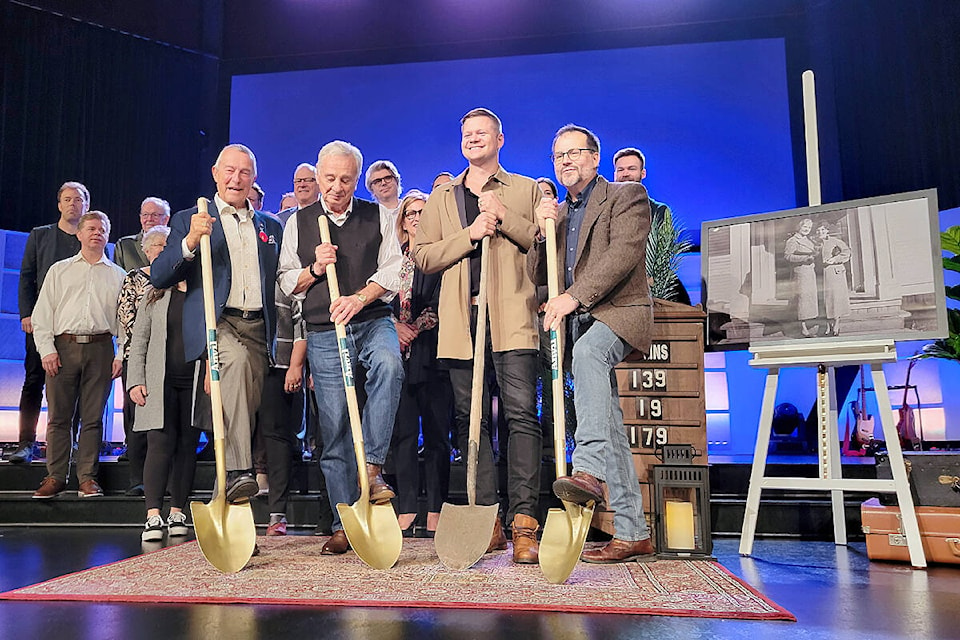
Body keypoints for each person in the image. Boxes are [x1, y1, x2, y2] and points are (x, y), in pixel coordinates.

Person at [413, 107, 542, 564]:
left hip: (513, 320)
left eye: (482, 132)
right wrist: (470, 234)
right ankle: (486, 518)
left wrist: (504, 217)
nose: (473, 139)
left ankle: (524, 523)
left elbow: (544, 253)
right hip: (461, 323)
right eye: (467, 133)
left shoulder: (527, 189)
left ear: (500, 139)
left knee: (521, 416)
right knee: (471, 422)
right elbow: (423, 256)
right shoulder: (442, 198)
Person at [529, 124, 656, 563]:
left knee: (588, 352)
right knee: (611, 424)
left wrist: (573, 297)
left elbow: (622, 256)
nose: (565, 161)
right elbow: (537, 275)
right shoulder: (559, 214)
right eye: (558, 155)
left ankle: (588, 471)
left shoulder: (626, 197)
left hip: (620, 311)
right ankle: (633, 530)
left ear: (595, 158)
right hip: (579, 319)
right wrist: (541, 234)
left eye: (574, 153)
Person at [278, 140, 403, 555]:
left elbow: (393, 271)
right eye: (329, 178)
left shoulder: (378, 215)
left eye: (346, 179)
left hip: (371, 319)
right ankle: (343, 522)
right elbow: (285, 283)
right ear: (318, 176)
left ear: (355, 179)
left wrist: (359, 298)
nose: (336, 186)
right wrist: (315, 268)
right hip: (323, 330)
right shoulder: (298, 223)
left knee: (389, 365)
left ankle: (372, 466)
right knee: (333, 429)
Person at [151, 143, 283, 504]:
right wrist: (192, 240)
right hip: (218, 323)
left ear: (254, 179)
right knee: (236, 369)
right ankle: (242, 470)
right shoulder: (189, 219)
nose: (236, 179)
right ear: (215, 173)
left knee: (242, 411)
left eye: (244, 172)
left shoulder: (270, 226)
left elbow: (282, 279)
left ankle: (225, 504)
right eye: (229, 170)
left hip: (259, 329)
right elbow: (159, 275)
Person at [31, 211, 126, 498]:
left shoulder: (118, 276)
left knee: (93, 418)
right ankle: (55, 477)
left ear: (107, 236)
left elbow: (124, 322)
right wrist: (47, 349)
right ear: (80, 234)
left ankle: (87, 478)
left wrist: (120, 354)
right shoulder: (59, 271)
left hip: (100, 348)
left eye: (102, 229)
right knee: (59, 417)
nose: (97, 233)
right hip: (63, 347)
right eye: (92, 228)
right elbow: (43, 314)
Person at [126, 245, 204, 542]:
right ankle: (153, 515)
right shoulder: (155, 294)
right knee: (159, 444)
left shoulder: (203, 297)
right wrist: (135, 381)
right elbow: (140, 340)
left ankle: (177, 511)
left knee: (187, 447)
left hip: (193, 382)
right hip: (159, 382)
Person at [8, 182, 85, 464]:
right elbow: (26, 277)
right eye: (67, 199)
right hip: (42, 323)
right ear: (59, 205)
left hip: (77, 326)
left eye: (78, 199)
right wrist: (26, 314)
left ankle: (71, 444)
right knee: (33, 381)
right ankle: (26, 443)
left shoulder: (89, 237)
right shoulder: (40, 236)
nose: (73, 204)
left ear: (86, 205)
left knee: (74, 387)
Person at [391, 191, 452, 538]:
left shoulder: (440, 257)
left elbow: (442, 301)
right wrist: (394, 328)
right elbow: (383, 298)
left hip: (433, 354)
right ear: (401, 220)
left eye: (423, 212)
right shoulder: (390, 259)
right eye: (411, 212)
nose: (416, 217)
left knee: (436, 436)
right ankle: (408, 506)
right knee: (403, 435)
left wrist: (412, 328)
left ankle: (436, 507)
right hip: (397, 356)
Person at [115, 225, 172, 496]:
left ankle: (168, 478)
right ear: (146, 251)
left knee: (168, 423)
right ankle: (137, 478)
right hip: (137, 359)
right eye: (157, 245)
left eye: (166, 244)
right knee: (137, 421)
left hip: (170, 359)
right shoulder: (134, 278)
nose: (161, 249)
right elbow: (126, 321)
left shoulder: (178, 278)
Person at [613, 147, 691, 305]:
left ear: (643, 173)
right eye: (620, 169)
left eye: (631, 169)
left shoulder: (659, 211)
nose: (625, 173)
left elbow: (663, 254)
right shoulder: (606, 210)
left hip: (649, 287)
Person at [114, 197, 171, 272]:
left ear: (166, 219)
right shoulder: (124, 245)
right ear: (140, 218)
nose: (149, 219)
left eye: (155, 215)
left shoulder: (175, 243)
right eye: (145, 214)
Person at [784, 217, 819, 337]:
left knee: (810, 298)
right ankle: (803, 328)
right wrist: (804, 258)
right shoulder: (793, 240)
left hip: (810, 272)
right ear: (799, 227)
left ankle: (809, 325)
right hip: (801, 272)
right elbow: (788, 256)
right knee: (802, 300)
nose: (807, 229)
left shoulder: (809, 240)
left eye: (809, 228)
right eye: (805, 227)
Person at [816, 222, 852, 336]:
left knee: (834, 298)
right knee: (824, 299)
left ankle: (836, 323)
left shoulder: (834, 241)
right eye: (818, 231)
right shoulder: (815, 244)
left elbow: (847, 252)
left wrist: (835, 259)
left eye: (822, 230)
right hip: (821, 273)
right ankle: (827, 324)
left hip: (834, 272)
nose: (820, 232)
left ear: (827, 231)